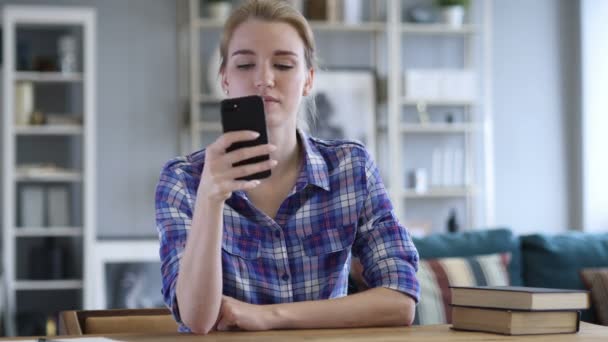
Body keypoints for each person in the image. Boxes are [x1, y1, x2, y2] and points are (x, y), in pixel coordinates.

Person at [155, 0, 419, 334]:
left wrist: (268, 316)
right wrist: (210, 198)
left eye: (282, 64)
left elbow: (401, 299)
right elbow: (197, 319)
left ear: (308, 80)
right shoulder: (183, 180)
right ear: (224, 79)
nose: (263, 79)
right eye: (245, 65)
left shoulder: (351, 168)